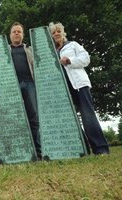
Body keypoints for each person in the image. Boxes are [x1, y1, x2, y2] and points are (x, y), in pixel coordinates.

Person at [48, 22, 110, 155]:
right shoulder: (50, 52)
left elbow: (86, 59)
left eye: (58, 31)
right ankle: (81, 150)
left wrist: (69, 60)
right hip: (62, 89)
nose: (56, 34)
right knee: (69, 118)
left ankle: (100, 149)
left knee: (88, 116)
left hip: (79, 85)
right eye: (53, 33)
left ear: (63, 33)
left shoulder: (73, 45)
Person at [0, 22, 42, 160]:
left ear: (23, 35)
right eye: (14, 32)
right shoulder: (3, 51)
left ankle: (39, 152)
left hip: (30, 84)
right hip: (12, 86)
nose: (17, 33)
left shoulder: (30, 49)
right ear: (10, 35)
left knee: (34, 117)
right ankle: (18, 153)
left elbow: (39, 65)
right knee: (14, 118)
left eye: (19, 31)